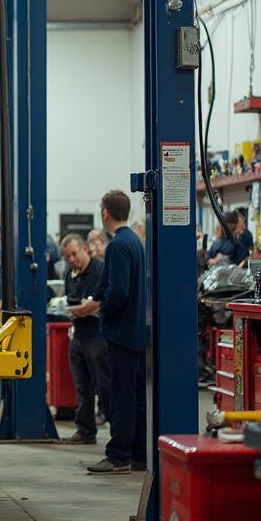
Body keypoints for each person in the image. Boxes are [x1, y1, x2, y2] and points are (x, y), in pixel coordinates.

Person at [72, 191, 146, 474]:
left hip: (121, 333)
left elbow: (119, 291)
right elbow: (115, 285)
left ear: (105, 213)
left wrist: (101, 310)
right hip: (136, 333)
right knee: (136, 396)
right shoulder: (135, 242)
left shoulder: (116, 246)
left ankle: (118, 456)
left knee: (121, 395)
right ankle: (138, 453)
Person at [60, 233, 111, 444]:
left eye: (74, 254)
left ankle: (116, 429)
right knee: (82, 386)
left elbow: (97, 304)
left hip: (96, 336)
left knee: (104, 385)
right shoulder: (68, 274)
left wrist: (79, 309)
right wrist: (76, 309)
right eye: (67, 256)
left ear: (85, 249)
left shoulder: (99, 270)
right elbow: (72, 304)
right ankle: (85, 430)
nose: (71, 259)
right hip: (78, 334)